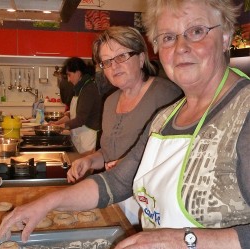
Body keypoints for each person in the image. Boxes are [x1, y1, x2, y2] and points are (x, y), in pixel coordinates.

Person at [0, 1, 250, 249]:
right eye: (168, 37)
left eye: (196, 31)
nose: (181, 47)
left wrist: (180, 243)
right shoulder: (166, 117)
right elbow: (117, 181)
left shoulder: (244, 112)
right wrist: (48, 203)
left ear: (225, 37)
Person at [67, 26, 182, 224]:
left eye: (121, 56)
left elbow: (178, 158)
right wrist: (89, 161)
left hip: (154, 206)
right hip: (117, 197)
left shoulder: (166, 95)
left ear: (141, 58)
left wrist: (129, 164)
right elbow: (107, 152)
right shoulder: (110, 101)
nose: (114, 66)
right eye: (107, 61)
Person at [50, 57, 102, 155]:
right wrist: (57, 123)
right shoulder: (80, 88)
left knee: (86, 168)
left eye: (69, 75)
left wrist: (60, 128)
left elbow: (80, 119)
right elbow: (73, 113)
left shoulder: (88, 89)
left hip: (88, 138)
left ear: (78, 73)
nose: (68, 80)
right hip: (80, 136)